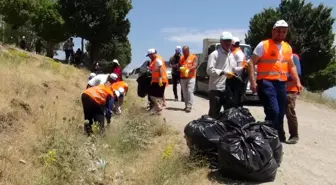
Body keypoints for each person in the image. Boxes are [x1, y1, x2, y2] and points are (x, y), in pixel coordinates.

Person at [247, 20, 303, 142]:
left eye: (284, 31)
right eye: (278, 31)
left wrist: (297, 81)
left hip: (281, 84)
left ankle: (276, 135)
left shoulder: (287, 47)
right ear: (273, 31)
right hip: (266, 82)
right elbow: (251, 63)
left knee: (280, 112)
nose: (281, 34)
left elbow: (291, 66)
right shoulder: (264, 45)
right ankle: (272, 135)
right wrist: (253, 82)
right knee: (274, 110)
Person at [206, 32, 236, 118]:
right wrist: (222, 72)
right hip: (216, 89)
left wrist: (243, 68)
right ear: (221, 41)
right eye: (225, 40)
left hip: (228, 88)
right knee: (214, 114)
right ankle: (211, 130)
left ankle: (224, 131)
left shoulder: (231, 55)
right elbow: (209, 70)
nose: (228, 43)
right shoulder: (214, 54)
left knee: (228, 114)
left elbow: (232, 69)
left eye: (229, 41)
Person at [226, 36, 248, 107]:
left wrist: (230, 69)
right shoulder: (237, 52)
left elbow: (240, 69)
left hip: (237, 80)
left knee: (235, 102)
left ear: (232, 45)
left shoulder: (237, 53)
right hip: (236, 80)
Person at [285, 52, 302, 144]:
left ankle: (294, 135)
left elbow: (297, 72)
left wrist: (281, 76)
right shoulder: (277, 57)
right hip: (280, 89)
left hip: (291, 89)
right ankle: (279, 134)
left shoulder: (293, 56)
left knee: (289, 111)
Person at [147, 48, 168, 113]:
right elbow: (154, 70)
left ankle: (158, 107)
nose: (149, 57)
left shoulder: (157, 59)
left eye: (150, 55)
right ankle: (157, 109)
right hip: (156, 80)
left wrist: (160, 78)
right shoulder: (154, 60)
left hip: (159, 80)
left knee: (152, 95)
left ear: (152, 54)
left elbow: (160, 69)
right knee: (157, 96)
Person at [179, 46, 198, 112]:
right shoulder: (181, 58)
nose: (184, 53)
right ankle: (186, 105)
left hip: (191, 77)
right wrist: (181, 68)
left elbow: (195, 65)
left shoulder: (193, 57)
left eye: (185, 51)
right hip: (183, 78)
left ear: (188, 50)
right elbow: (180, 65)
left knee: (190, 91)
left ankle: (189, 106)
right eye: (183, 52)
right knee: (184, 93)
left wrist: (188, 69)